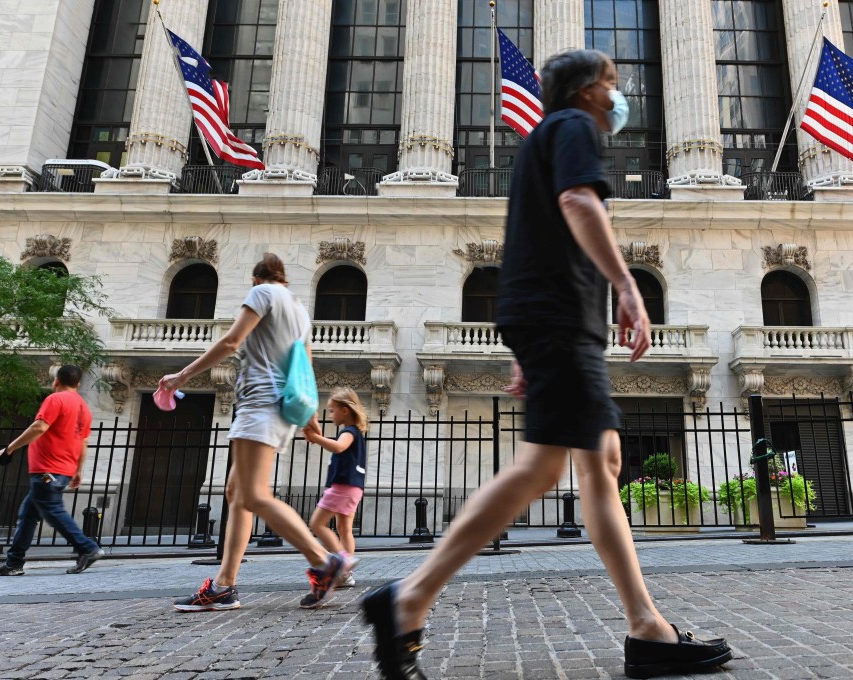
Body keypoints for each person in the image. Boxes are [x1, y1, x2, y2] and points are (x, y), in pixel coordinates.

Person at [360, 50, 732, 680]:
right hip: (559, 320)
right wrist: (627, 286)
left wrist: (528, 344)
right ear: (588, 90)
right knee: (544, 467)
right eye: (612, 84)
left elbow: (533, 242)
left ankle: (646, 625)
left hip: (552, 321)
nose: (618, 96)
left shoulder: (542, 139)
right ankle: (410, 598)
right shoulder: (572, 128)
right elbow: (579, 206)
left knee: (600, 461)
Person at [163, 253, 351, 611]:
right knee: (237, 492)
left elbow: (232, 342)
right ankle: (224, 585)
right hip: (281, 404)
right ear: (285, 278)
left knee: (253, 494)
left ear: (256, 279)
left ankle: (324, 560)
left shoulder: (263, 294)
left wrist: (181, 376)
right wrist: (309, 413)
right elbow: (306, 364)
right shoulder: (299, 311)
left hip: (259, 403)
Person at [0, 365, 105, 576]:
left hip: (48, 471)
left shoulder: (56, 399)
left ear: (56, 381)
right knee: (28, 515)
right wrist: (78, 470)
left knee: (53, 510)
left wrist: (9, 449)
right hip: (62, 470)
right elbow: (83, 442)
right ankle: (14, 562)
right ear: (78, 384)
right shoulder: (83, 407)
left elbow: (39, 427)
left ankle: (88, 547)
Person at [299, 387, 368, 605]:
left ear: (345, 410)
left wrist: (317, 438)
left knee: (317, 523)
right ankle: (345, 576)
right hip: (354, 486)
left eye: (332, 411)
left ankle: (341, 561)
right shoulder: (356, 432)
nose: (330, 415)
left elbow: (338, 448)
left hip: (343, 486)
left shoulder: (348, 431)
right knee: (344, 528)